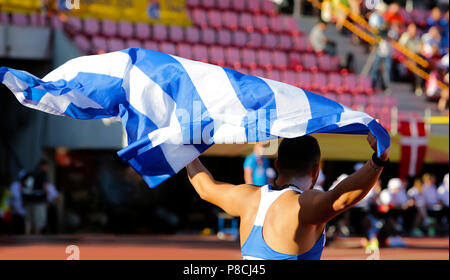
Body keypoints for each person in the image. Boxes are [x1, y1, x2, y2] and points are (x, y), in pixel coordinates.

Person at [186, 133, 389, 260]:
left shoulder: (248, 197)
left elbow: (205, 187)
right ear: (316, 171)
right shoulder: (303, 204)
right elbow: (341, 198)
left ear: (277, 165)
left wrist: (184, 150)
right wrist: (377, 161)